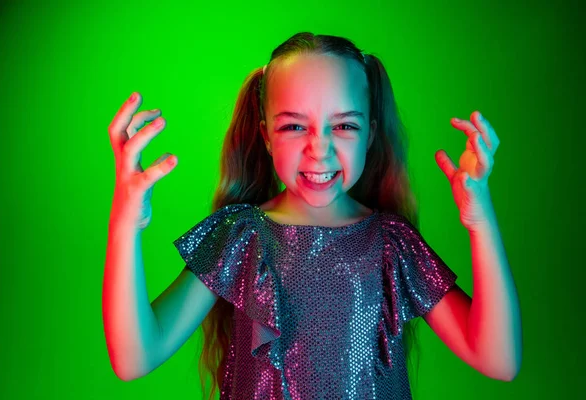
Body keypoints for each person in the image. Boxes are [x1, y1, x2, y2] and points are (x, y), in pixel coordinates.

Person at [103, 32, 521, 399]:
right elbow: (135, 358)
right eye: (294, 127)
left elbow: (497, 360)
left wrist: (479, 219)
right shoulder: (240, 237)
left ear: (370, 133)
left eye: (343, 126)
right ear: (266, 133)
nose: (318, 150)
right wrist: (124, 221)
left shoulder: (392, 244)